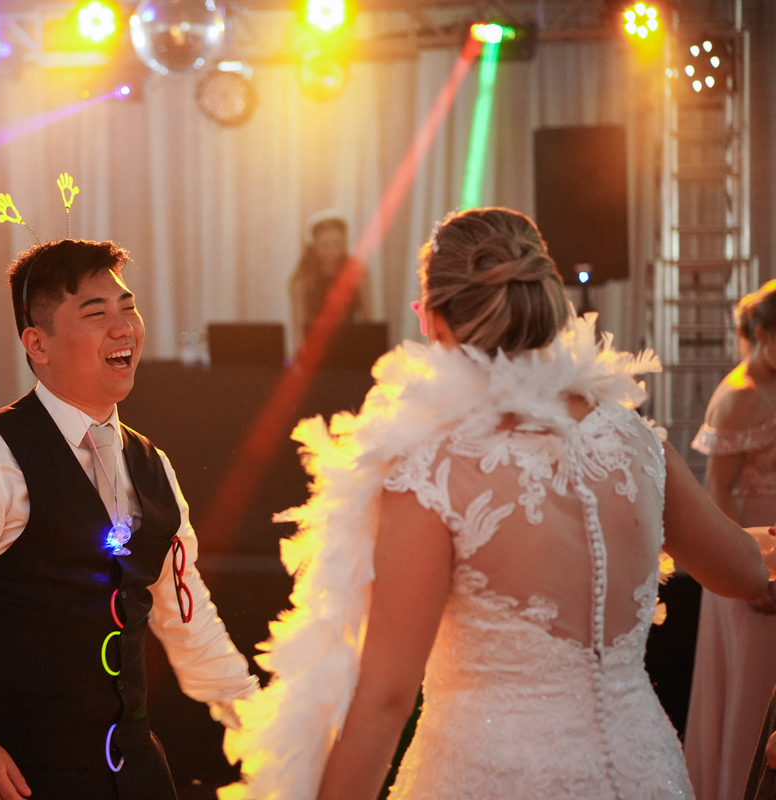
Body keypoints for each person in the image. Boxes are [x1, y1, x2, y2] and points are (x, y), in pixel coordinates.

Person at [220, 207, 775, 800]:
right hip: (645, 772)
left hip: (492, 776)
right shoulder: (633, 439)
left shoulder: (434, 467)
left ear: (432, 321)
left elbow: (385, 699)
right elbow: (743, 571)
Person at [0, 239, 258, 800]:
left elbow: (187, 615)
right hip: (22, 771)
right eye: (96, 313)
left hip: (136, 772)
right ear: (37, 343)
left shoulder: (152, 464)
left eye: (127, 307)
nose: (123, 327)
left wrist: (260, 723)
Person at [685, 280, 776, 800]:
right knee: (755, 688)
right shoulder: (739, 395)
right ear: (761, 334)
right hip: (750, 559)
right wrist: (752, 573)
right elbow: (717, 489)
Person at [287, 212, 372, 351]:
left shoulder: (357, 272)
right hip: (315, 350)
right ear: (314, 245)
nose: (333, 251)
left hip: (352, 345)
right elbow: (299, 330)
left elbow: (370, 322)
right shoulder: (302, 280)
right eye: (325, 246)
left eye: (338, 244)